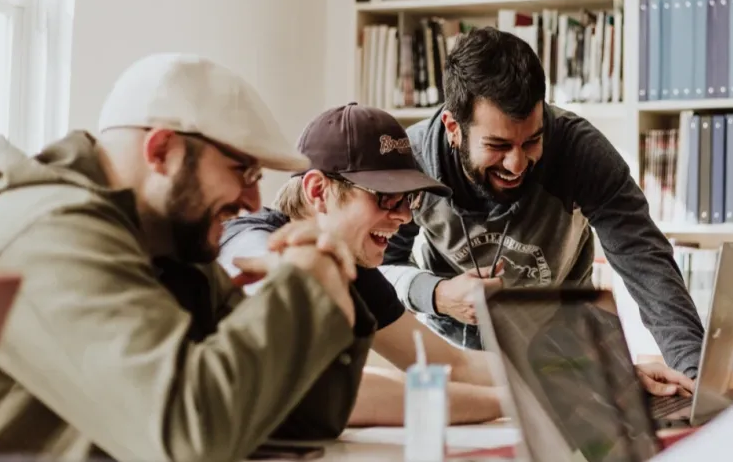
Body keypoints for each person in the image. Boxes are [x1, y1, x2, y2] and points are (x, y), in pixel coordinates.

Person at [0, 53, 374, 461]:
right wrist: (303, 290)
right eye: (243, 171)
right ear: (162, 150)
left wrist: (328, 286)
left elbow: (291, 421)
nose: (254, 201)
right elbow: (188, 437)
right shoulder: (48, 233)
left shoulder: (167, 246)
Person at [219, 103, 686, 426]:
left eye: (409, 200)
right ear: (318, 191)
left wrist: (596, 374)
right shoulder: (254, 245)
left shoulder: (354, 268)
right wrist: (539, 399)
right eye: (385, 198)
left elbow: (449, 364)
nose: (402, 217)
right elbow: (330, 390)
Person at [378, 26, 705, 384]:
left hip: (562, 352)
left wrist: (695, 378)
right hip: (456, 359)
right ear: (453, 127)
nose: (516, 164)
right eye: (498, 146)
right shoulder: (413, 161)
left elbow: (646, 262)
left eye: (532, 140)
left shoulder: (581, 152)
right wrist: (437, 294)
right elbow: (377, 269)